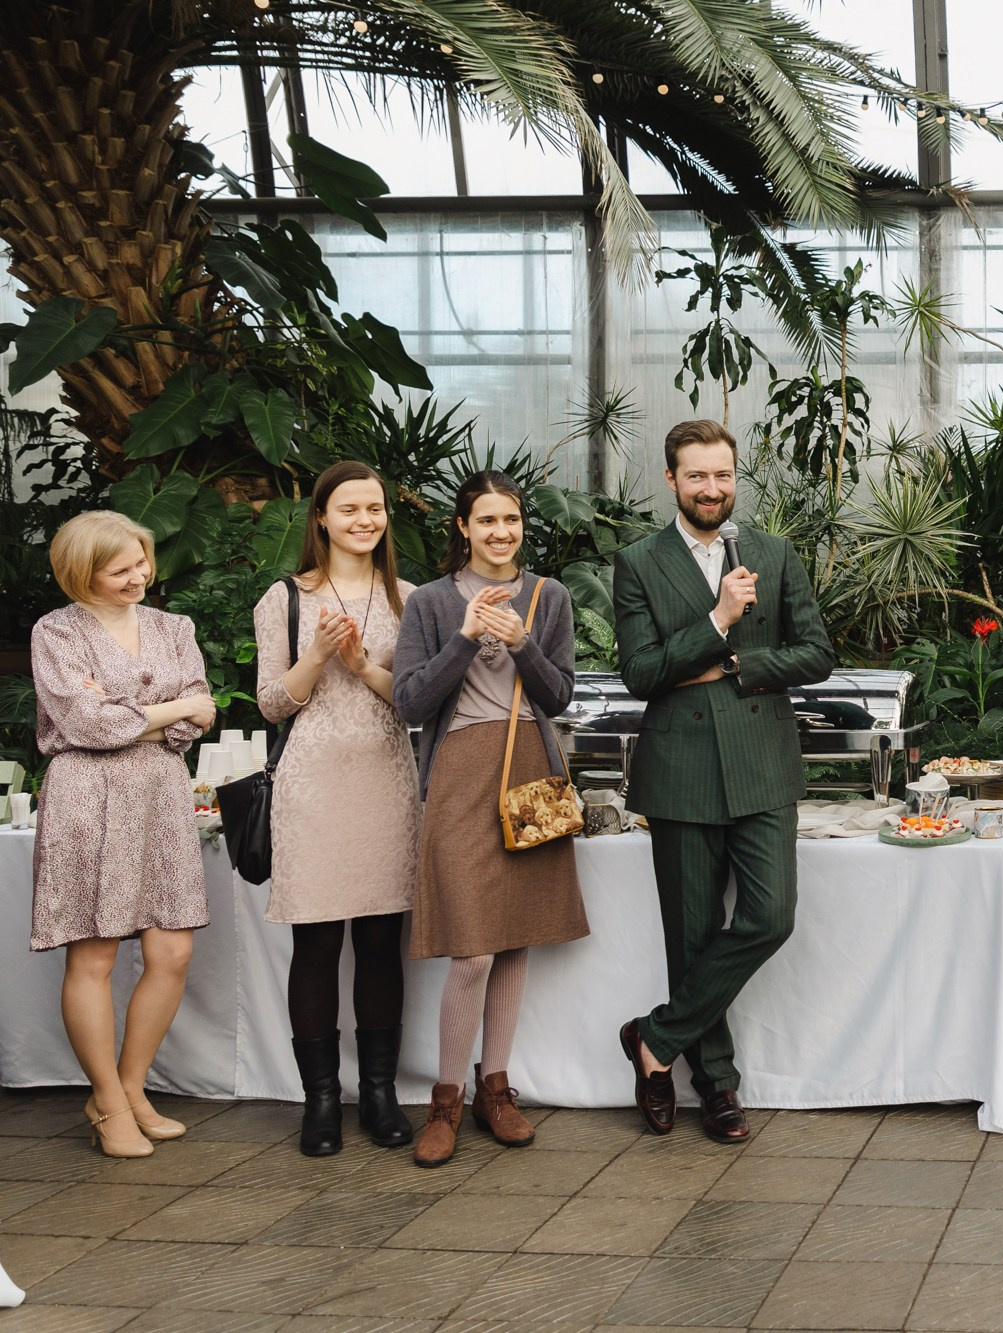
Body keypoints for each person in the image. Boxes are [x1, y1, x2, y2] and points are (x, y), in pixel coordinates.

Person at [614, 419, 834, 1144]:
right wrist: (716, 619)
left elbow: (816, 653)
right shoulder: (638, 561)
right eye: (697, 475)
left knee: (771, 914)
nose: (713, 487)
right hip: (678, 770)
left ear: (735, 477)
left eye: (723, 474)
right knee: (691, 932)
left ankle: (654, 1038)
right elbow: (642, 672)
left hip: (763, 763)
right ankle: (718, 1086)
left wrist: (740, 664)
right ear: (671, 479)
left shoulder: (773, 552)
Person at [393, 472, 588, 1167]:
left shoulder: (548, 595)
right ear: (462, 526)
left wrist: (525, 643)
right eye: (487, 520)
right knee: (472, 948)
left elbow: (559, 694)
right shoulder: (429, 601)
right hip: (457, 773)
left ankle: (494, 1089)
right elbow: (410, 703)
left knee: (514, 940)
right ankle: (445, 1098)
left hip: (530, 766)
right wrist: (467, 637)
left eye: (511, 520)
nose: (501, 532)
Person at [29, 510, 216, 1158]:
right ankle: (108, 1102)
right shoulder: (56, 632)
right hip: (88, 796)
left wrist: (153, 715)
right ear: (83, 573)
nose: (140, 575)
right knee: (96, 956)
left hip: (162, 794)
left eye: (142, 561)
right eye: (121, 569)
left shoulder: (174, 626)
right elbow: (86, 724)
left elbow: (203, 709)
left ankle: (130, 1088)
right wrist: (170, 711)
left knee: (172, 951)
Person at [255, 461, 420, 1157]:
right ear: (319, 517)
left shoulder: (410, 598)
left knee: (382, 940)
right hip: (313, 781)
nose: (364, 519)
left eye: (374, 508)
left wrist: (359, 664)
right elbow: (272, 701)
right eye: (348, 508)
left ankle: (379, 1091)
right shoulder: (284, 599)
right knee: (317, 944)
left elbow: (416, 701)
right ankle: (320, 1099)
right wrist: (318, 655)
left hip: (386, 776)